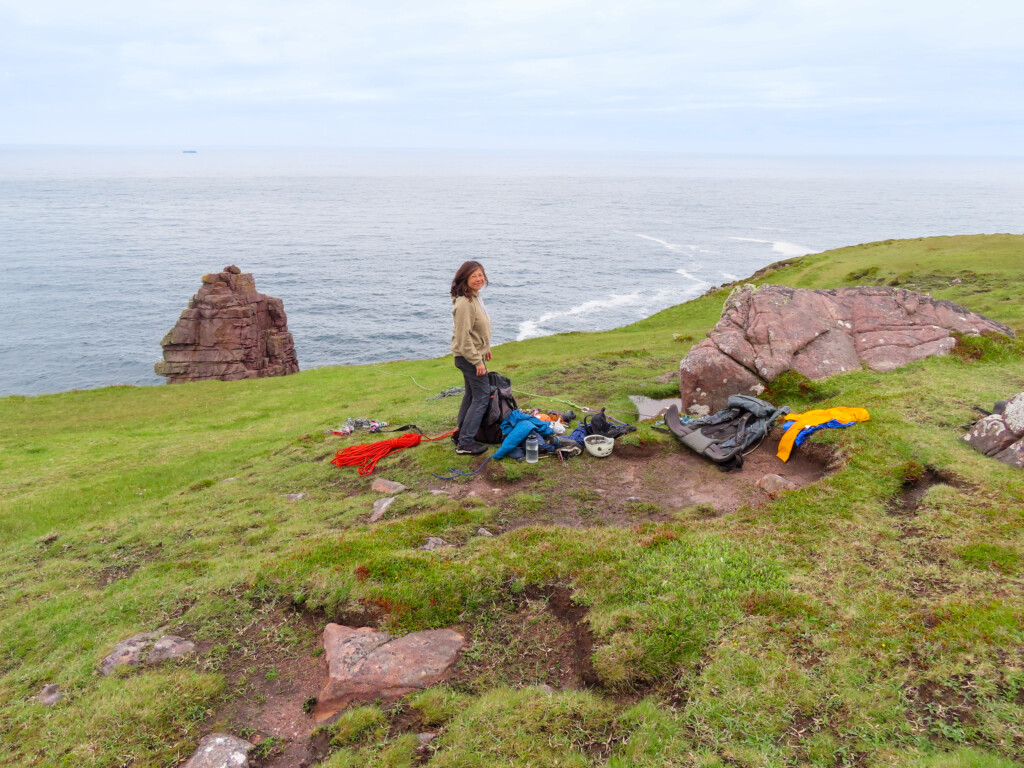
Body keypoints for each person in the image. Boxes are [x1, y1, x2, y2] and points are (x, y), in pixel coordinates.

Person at [450, 261, 492, 455]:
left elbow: (478, 329)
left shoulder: (475, 297)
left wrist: (486, 349)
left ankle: (461, 434)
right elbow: (463, 337)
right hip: (468, 358)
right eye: (474, 275)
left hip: (474, 354)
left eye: (481, 274)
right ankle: (466, 442)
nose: (479, 279)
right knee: (482, 396)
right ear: (465, 278)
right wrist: (477, 360)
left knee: (472, 394)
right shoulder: (465, 303)